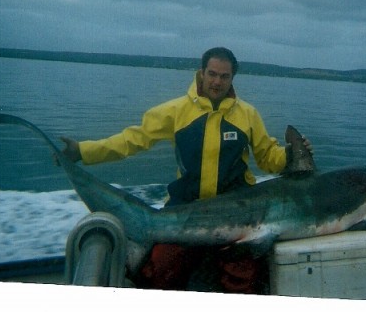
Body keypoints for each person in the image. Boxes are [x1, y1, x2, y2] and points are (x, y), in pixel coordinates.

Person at [61, 47, 312, 293]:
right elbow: (132, 139)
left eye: (224, 76)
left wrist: (289, 155)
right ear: (201, 73)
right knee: (157, 271)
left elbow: (269, 158)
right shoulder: (176, 111)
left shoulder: (247, 115)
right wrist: (83, 151)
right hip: (186, 210)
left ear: (232, 78)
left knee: (244, 279)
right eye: (212, 73)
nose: (217, 81)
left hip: (238, 212)